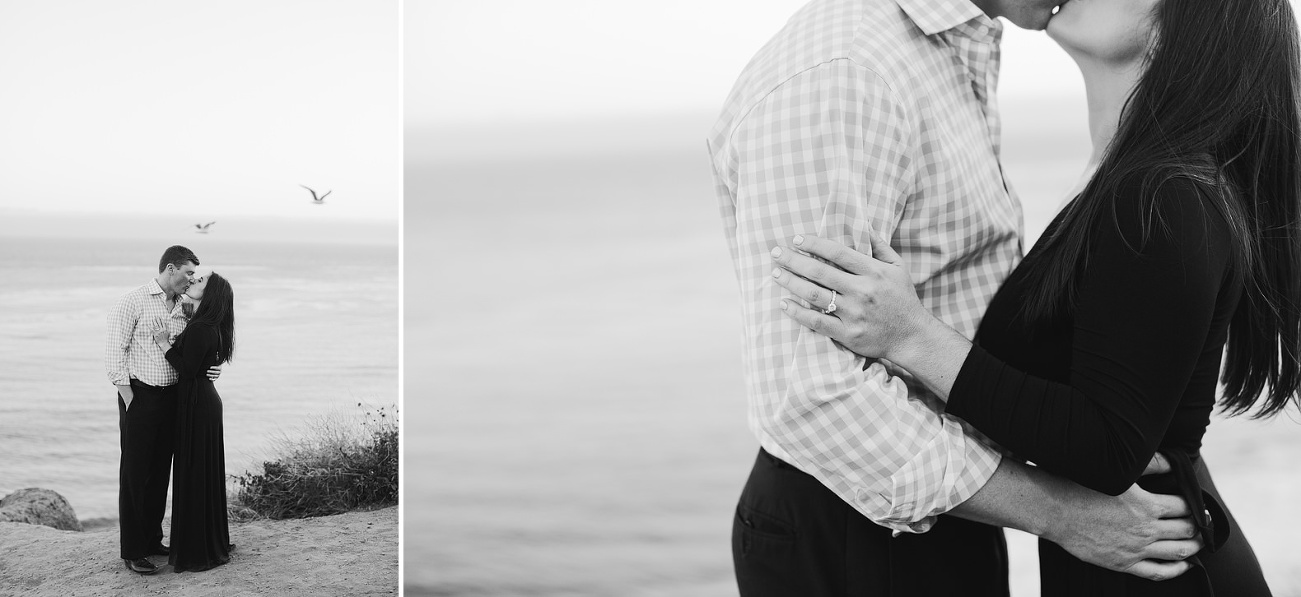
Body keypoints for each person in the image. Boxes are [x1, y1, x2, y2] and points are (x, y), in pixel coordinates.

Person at [768, 0, 1298, 593]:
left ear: (1186, 25)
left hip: (1156, 562)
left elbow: (1108, 447)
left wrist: (913, 336)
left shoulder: (1159, 194)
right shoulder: (1137, 179)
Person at [106, 245, 218, 575]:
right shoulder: (133, 300)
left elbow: (195, 351)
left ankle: (153, 539)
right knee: (135, 476)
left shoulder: (185, 308)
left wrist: (213, 368)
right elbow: (115, 355)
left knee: (160, 474)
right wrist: (130, 400)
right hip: (140, 398)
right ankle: (134, 550)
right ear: (170, 269)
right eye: (187, 273)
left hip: (174, 399)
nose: (191, 280)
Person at [151, 267, 235, 572]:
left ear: (209, 293)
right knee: (202, 474)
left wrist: (164, 344)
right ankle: (207, 539)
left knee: (196, 473)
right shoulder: (204, 323)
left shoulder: (202, 327)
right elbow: (201, 361)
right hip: (203, 401)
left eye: (199, 281)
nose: (193, 281)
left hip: (198, 404)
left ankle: (199, 547)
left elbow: (187, 369)